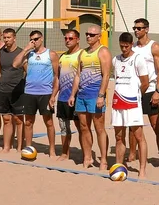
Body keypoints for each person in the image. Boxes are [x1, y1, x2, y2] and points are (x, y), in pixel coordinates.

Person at [70, 25, 112, 170]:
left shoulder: (103, 51)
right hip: (81, 95)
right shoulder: (83, 53)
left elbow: (106, 75)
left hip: (95, 95)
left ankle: (103, 160)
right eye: (87, 34)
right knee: (83, 127)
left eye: (92, 35)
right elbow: (77, 75)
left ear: (99, 36)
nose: (88, 36)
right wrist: (72, 94)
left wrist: (101, 95)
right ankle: (87, 157)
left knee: (99, 128)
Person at [14, 30, 60, 159]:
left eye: (36, 39)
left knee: (49, 122)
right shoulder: (29, 54)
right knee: (28, 122)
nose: (33, 41)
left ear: (42, 38)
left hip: (45, 93)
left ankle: (52, 150)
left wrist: (53, 96)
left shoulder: (51, 54)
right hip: (29, 92)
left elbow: (57, 76)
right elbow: (15, 64)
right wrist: (25, 50)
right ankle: (29, 148)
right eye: (31, 39)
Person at [111, 32, 150, 177]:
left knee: (139, 136)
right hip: (118, 101)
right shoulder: (116, 60)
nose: (124, 49)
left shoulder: (138, 59)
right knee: (119, 137)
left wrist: (137, 95)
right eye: (122, 46)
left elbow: (145, 82)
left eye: (126, 46)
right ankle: (118, 166)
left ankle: (143, 169)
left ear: (131, 44)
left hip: (132, 102)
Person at [132, 18, 159, 166]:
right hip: (136, 90)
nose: (136, 31)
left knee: (155, 125)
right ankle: (132, 155)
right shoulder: (133, 48)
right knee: (132, 124)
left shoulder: (154, 46)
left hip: (150, 89)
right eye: (135, 28)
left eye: (139, 28)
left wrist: (158, 91)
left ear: (146, 29)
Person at [0, 28, 25, 155]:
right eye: (5, 38)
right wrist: (4, 81)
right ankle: (6, 146)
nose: (6, 40)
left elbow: (26, 71)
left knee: (18, 119)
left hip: (18, 91)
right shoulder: (0, 54)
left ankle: (19, 147)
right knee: (6, 119)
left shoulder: (21, 53)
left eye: (9, 37)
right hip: (4, 90)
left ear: (14, 38)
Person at [56, 29, 82, 163]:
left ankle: (85, 153)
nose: (67, 40)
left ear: (77, 39)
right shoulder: (63, 57)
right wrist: (53, 95)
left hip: (77, 98)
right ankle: (65, 153)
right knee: (64, 128)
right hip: (62, 98)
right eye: (66, 38)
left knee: (81, 127)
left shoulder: (82, 55)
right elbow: (58, 78)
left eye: (70, 38)